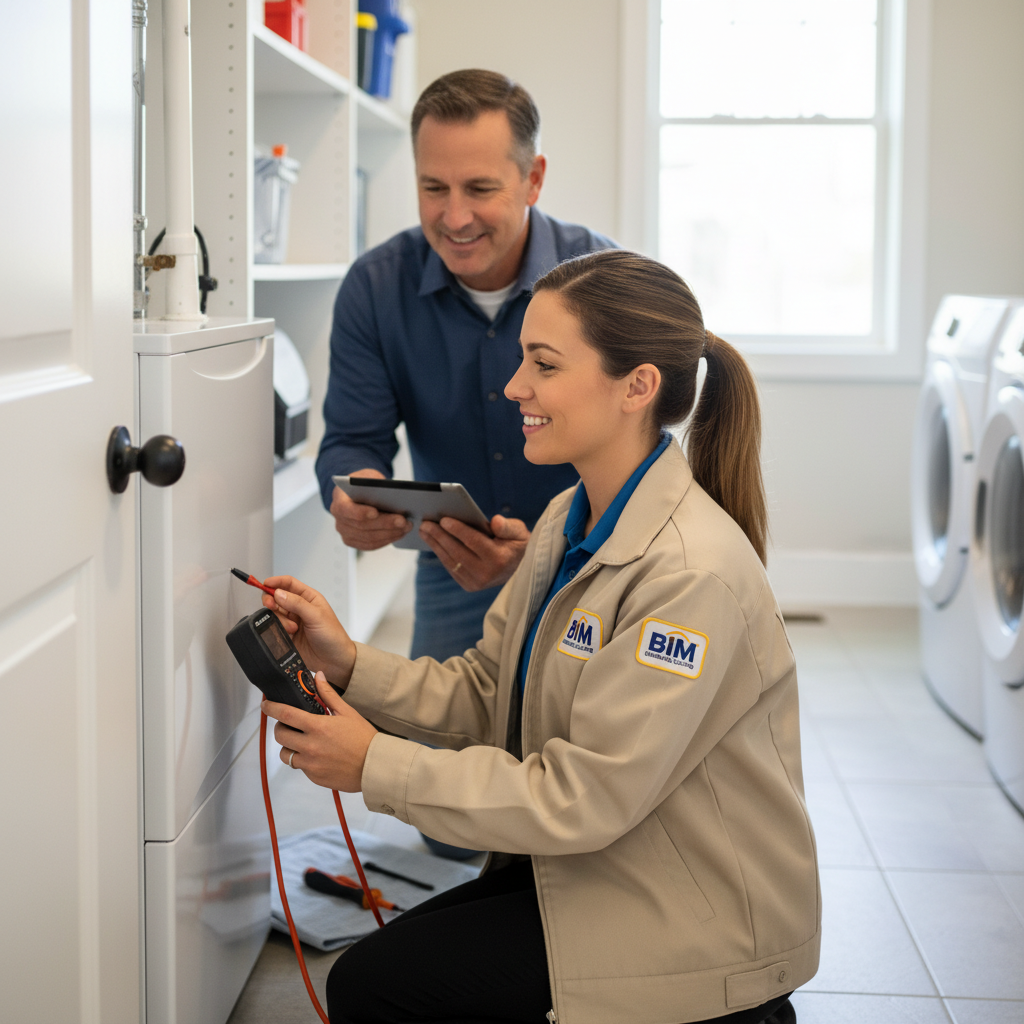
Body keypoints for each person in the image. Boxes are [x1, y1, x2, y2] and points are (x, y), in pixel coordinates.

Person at [269, 250, 820, 1024]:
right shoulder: (570, 517)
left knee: (375, 987)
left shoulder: (689, 575)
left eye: (544, 364)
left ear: (637, 387)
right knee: (376, 974)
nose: (514, 386)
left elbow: (583, 797)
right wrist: (350, 663)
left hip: (692, 917)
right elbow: (487, 688)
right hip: (609, 862)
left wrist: (374, 765)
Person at [315, 69, 615, 668]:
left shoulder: (604, 279)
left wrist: (546, 552)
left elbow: (640, 455)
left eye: (480, 189)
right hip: (453, 567)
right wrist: (356, 495)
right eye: (434, 188)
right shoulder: (375, 288)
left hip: (592, 560)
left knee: (584, 723)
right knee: (433, 726)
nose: (454, 218)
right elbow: (351, 439)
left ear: (533, 180)